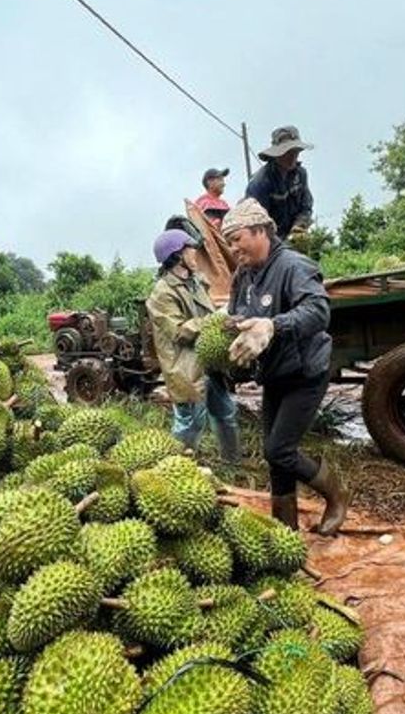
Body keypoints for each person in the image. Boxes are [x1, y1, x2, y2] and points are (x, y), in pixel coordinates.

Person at [221, 198, 349, 534]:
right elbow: (238, 313)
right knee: (275, 455)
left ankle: (336, 494)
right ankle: (285, 531)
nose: (233, 248)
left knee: (278, 450)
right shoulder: (244, 275)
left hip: (305, 372)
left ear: (260, 231)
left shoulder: (294, 266)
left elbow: (318, 311)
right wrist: (229, 325)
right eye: (229, 242)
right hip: (275, 373)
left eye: (236, 239)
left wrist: (273, 325)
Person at [145, 228, 240, 463]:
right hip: (185, 366)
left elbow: (208, 314)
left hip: (207, 362)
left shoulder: (196, 282)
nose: (195, 253)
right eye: (190, 250)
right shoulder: (161, 293)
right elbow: (179, 331)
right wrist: (217, 318)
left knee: (226, 413)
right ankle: (176, 467)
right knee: (191, 421)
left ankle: (232, 460)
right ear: (177, 256)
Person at [245, 125, 315, 240]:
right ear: (276, 154)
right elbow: (256, 223)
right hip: (269, 241)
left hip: (291, 237)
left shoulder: (300, 175)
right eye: (287, 152)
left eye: (295, 152)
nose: (292, 157)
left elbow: (306, 207)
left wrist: (299, 226)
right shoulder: (260, 182)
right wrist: (278, 244)